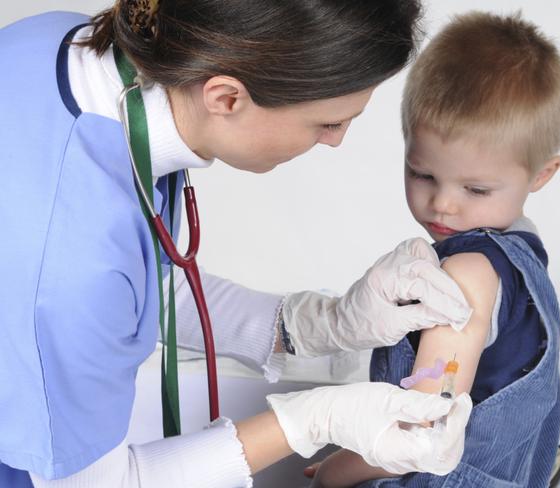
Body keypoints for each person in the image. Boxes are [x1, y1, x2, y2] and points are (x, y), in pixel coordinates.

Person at [0, 1, 477, 487]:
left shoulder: (56, 44)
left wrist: (314, 325)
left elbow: (126, 290)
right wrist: (310, 421)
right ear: (226, 98)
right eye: (328, 123)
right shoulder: (67, 267)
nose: (336, 142)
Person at [308, 10, 560, 488]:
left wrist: (334, 471)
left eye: (476, 189)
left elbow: (420, 432)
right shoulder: (523, 253)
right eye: (423, 174)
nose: (443, 204)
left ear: (542, 175)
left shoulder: (468, 275)